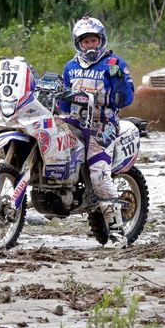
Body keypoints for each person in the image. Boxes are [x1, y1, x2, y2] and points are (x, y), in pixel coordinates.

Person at [59, 16, 135, 240]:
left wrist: (119, 79)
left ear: (101, 40)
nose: (90, 46)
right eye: (85, 42)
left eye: (93, 41)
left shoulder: (115, 63)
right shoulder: (71, 66)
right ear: (78, 43)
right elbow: (63, 102)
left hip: (103, 123)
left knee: (99, 174)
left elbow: (126, 99)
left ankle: (117, 233)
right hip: (74, 121)